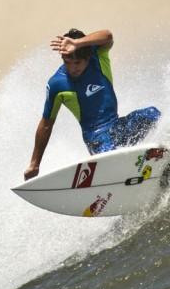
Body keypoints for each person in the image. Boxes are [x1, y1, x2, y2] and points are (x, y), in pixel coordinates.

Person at [24, 28, 161, 180]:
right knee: (112, 154)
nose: (72, 68)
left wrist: (77, 43)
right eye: (67, 62)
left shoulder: (98, 57)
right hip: (97, 140)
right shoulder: (57, 84)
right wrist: (34, 164)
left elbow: (108, 35)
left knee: (153, 113)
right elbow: (46, 124)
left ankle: (155, 162)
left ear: (88, 58)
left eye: (77, 62)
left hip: (118, 127)